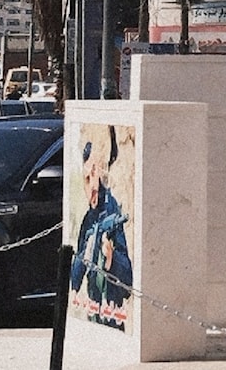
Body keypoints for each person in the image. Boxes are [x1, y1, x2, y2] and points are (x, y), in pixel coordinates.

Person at [70, 125, 132, 330]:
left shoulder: (112, 210)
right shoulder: (89, 218)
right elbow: (75, 277)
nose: (91, 189)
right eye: (85, 180)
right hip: (94, 310)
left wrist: (111, 257)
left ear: (98, 172)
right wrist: (85, 256)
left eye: (91, 178)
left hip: (112, 311)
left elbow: (128, 279)